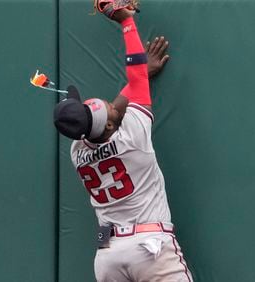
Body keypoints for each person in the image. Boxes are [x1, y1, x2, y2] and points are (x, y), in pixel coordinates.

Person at [53, 4, 193, 282]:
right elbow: (125, 94)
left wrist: (141, 78)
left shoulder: (77, 149)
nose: (112, 105)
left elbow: (112, 112)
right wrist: (127, 21)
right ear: (109, 123)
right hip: (150, 247)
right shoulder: (134, 136)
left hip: (109, 256)